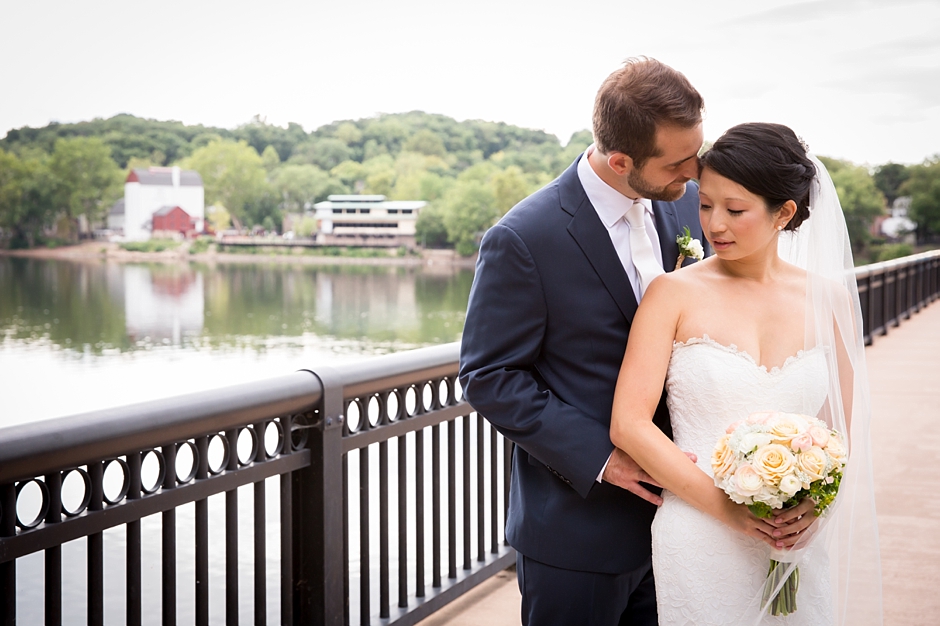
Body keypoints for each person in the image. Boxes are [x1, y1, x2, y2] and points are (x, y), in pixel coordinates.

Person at [459, 58, 707, 625]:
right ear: (621, 161)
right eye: (677, 162)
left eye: (696, 151)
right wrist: (605, 459)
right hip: (578, 534)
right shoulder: (523, 238)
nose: (694, 172)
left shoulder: (689, 205)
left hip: (684, 527)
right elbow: (489, 376)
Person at [609, 123, 883, 624]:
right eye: (706, 204)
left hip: (792, 539)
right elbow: (629, 424)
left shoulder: (830, 301)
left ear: (784, 213)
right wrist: (724, 507)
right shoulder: (672, 294)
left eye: (735, 210)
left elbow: (838, 431)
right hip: (698, 534)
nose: (715, 224)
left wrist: (812, 511)